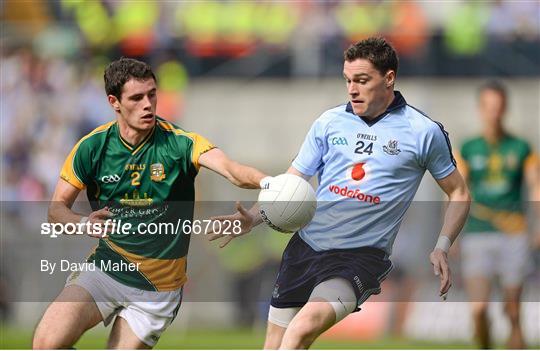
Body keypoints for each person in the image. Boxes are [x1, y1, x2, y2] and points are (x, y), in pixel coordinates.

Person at [209, 37, 471, 349]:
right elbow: (290, 185)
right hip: (305, 249)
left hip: (359, 259)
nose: (352, 89)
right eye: (348, 80)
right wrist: (253, 217)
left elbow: (459, 192)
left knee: (300, 331)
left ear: (389, 79)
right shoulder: (329, 122)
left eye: (362, 80)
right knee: (274, 344)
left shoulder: (423, 132)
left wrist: (442, 246)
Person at [32, 57, 268, 349]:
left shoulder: (181, 143)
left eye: (152, 94)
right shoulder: (92, 147)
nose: (148, 104)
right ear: (114, 102)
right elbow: (56, 210)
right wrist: (82, 223)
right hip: (106, 268)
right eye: (136, 97)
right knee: (46, 343)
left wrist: (269, 183)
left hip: (158, 289)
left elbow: (233, 170)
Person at [455, 81, 540, 349]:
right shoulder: (468, 148)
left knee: (513, 311)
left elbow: (535, 186)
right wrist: (450, 235)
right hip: (477, 234)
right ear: (481, 109)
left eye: (499, 107)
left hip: (513, 233)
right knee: (479, 311)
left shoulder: (521, 147)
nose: (495, 113)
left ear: (506, 109)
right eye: (489, 107)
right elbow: (457, 192)